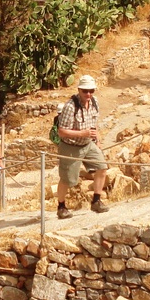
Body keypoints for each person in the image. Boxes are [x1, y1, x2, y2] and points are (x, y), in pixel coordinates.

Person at [55, 74, 109, 219]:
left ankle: (96, 201)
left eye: (91, 90)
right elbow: (61, 131)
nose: (88, 94)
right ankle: (61, 206)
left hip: (87, 144)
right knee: (67, 179)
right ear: (79, 90)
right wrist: (82, 133)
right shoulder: (70, 106)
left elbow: (94, 122)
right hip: (71, 146)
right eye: (85, 91)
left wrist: (96, 138)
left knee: (102, 167)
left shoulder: (95, 102)